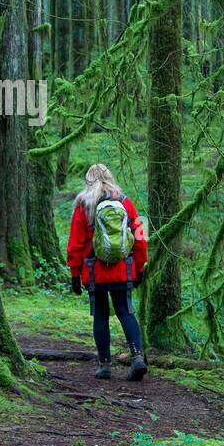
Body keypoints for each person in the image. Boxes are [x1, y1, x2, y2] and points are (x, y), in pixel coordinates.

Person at [67, 163, 148, 381]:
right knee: (126, 312)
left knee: (101, 315)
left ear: (88, 180)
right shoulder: (125, 203)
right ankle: (138, 357)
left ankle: (104, 365)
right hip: (123, 271)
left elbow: (75, 244)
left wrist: (75, 274)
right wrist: (139, 268)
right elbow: (140, 238)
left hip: (95, 273)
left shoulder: (83, 206)